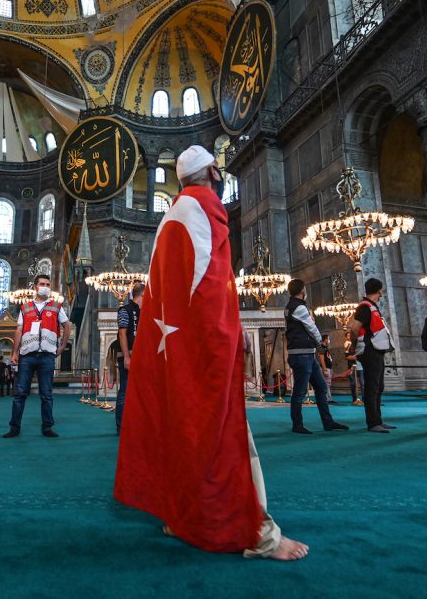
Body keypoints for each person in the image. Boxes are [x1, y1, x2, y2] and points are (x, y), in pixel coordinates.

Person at [115, 144, 308, 561]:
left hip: (172, 349)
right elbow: (211, 288)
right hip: (199, 348)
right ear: (214, 174)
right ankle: (260, 534)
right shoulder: (204, 209)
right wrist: (229, 338)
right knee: (225, 435)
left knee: (185, 430)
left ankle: (181, 515)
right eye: (219, 174)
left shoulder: (171, 217)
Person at [4, 274, 71, 438]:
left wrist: (62, 346)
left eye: (48, 284)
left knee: (47, 394)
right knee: (20, 393)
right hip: (27, 354)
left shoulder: (56, 306)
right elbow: (19, 330)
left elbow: (67, 325)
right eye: (42, 284)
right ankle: (14, 427)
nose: (45, 287)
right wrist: (15, 352)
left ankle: (47, 427)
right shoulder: (25, 307)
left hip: (47, 355)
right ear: (35, 286)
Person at [283, 279, 348, 435]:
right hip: (301, 354)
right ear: (302, 291)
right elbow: (311, 327)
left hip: (307, 354)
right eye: (304, 288)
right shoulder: (298, 307)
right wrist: (321, 343)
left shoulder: (292, 306)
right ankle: (297, 425)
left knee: (321, 387)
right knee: (299, 392)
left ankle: (328, 422)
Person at [349, 278, 394, 433]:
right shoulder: (364, 307)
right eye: (381, 291)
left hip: (376, 350)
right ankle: (373, 422)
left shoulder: (372, 306)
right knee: (372, 388)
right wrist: (356, 347)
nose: (382, 294)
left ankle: (378, 419)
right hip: (369, 350)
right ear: (379, 290)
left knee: (378, 387)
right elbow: (354, 329)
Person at [115, 281, 144, 435]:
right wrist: (126, 357)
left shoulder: (145, 311)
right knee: (125, 392)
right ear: (144, 294)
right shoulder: (124, 310)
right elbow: (122, 333)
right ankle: (121, 426)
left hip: (142, 358)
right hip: (129, 357)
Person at [344, 335, 364, 405]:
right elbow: (347, 357)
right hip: (353, 367)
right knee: (353, 384)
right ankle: (355, 399)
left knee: (363, 383)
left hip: (362, 367)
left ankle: (364, 399)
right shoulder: (350, 346)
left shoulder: (363, 345)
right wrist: (355, 357)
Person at [317, 335, 335, 403]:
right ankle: (326, 398)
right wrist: (324, 370)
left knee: (328, 384)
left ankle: (329, 398)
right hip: (325, 368)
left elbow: (328, 359)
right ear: (325, 339)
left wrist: (331, 369)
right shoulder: (321, 348)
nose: (329, 340)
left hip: (328, 368)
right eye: (328, 339)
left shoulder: (326, 348)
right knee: (326, 384)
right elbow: (322, 360)